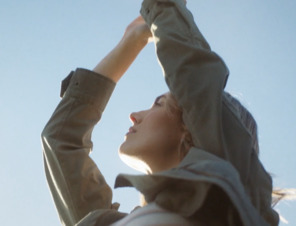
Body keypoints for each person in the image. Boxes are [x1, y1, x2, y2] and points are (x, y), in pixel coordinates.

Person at [41, 0, 282, 225]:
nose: (134, 115)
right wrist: (131, 40)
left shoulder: (226, 196)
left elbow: (195, 79)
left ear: (191, 125)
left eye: (158, 103)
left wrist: (162, 9)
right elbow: (61, 140)